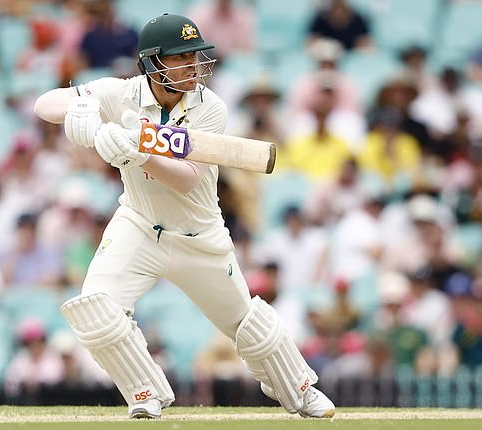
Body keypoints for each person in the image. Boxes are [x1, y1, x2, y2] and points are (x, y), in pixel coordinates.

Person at [34, 13, 335, 419]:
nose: (194, 65)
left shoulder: (210, 109)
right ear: (154, 63)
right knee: (96, 309)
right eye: (182, 58)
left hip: (199, 237)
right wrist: (82, 113)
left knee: (245, 325)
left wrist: (137, 151)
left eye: (196, 56)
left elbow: (188, 179)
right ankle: (145, 393)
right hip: (138, 225)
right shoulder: (118, 94)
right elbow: (44, 104)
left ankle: (300, 389)